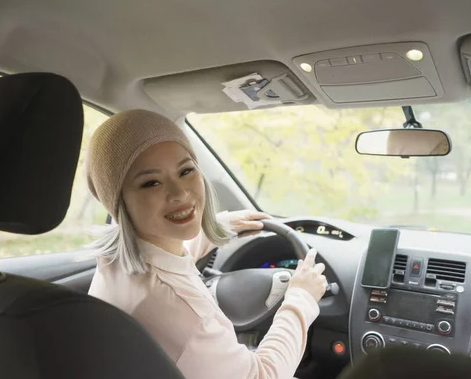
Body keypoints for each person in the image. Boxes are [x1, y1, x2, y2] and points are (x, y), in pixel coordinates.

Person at [86, 109, 327, 379]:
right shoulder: (183, 315)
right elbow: (263, 376)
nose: (180, 193)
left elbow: (170, 258)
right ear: (119, 201)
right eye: (151, 183)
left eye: (186, 170)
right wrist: (301, 299)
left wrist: (217, 227)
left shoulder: (113, 261)